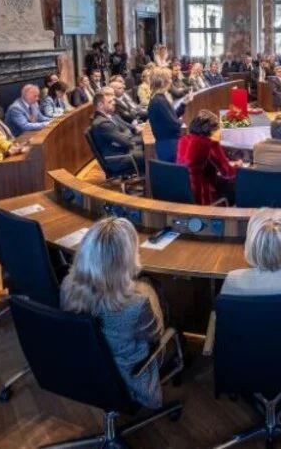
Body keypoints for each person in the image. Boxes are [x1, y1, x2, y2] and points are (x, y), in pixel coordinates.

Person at [60, 217, 174, 409]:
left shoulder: (67, 286)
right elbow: (155, 335)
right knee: (158, 294)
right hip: (129, 376)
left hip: (86, 368)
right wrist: (149, 292)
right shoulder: (137, 303)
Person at [176, 110, 237, 205]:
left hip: (183, 191)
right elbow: (227, 172)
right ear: (210, 130)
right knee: (236, 183)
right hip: (202, 194)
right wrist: (238, 165)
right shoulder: (210, 144)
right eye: (218, 128)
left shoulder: (183, 140)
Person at [88, 90, 144, 173]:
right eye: (110, 102)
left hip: (122, 152)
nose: (114, 103)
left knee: (146, 147)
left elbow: (125, 135)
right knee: (150, 154)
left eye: (113, 100)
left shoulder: (107, 117)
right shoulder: (103, 123)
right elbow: (127, 142)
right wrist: (125, 134)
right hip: (118, 159)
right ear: (100, 105)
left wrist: (123, 135)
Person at [147, 69, 190, 162]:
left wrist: (184, 104)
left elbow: (172, 116)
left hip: (168, 144)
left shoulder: (159, 97)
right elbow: (174, 125)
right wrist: (182, 122)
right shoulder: (159, 101)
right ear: (162, 82)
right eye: (169, 78)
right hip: (169, 146)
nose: (171, 81)